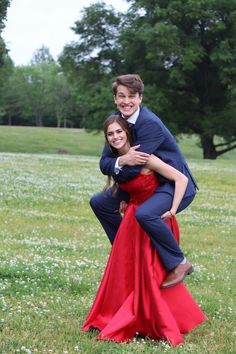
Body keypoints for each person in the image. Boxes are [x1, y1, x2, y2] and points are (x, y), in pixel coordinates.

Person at [82, 116, 206, 346]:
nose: (116, 136)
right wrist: (126, 197)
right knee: (126, 270)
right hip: (132, 219)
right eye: (111, 134)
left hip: (152, 219)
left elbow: (180, 178)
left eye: (120, 132)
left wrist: (173, 208)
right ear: (106, 139)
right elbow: (127, 185)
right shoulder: (118, 160)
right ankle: (121, 317)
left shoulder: (144, 157)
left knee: (149, 275)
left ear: (128, 133)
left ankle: (153, 321)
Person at [90, 74, 198, 288]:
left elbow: (132, 172)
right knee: (100, 203)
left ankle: (180, 262)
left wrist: (121, 164)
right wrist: (123, 159)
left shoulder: (150, 124)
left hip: (171, 184)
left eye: (131, 96)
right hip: (142, 182)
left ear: (140, 98)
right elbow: (104, 164)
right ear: (115, 98)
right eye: (121, 96)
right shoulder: (116, 120)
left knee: (145, 214)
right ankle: (123, 246)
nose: (126, 101)